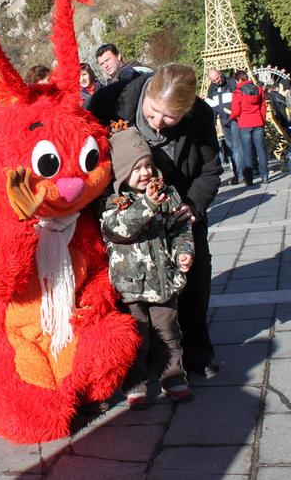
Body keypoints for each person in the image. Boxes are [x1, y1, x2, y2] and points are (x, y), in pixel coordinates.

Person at [89, 63, 222, 377]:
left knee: (194, 276)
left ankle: (197, 353)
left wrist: (194, 204)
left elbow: (209, 170)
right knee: (128, 300)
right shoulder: (110, 102)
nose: (159, 123)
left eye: (169, 118)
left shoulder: (200, 116)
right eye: (152, 114)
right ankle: (132, 366)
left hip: (176, 209)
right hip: (125, 210)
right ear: (146, 93)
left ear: (186, 112)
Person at [100, 126, 194, 408]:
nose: (145, 173)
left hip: (163, 280)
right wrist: (148, 205)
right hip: (129, 286)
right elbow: (120, 229)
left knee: (168, 331)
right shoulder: (112, 203)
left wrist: (183, 253)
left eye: (148, 165)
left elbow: (180, 228)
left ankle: (173, 376)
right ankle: (136, 381)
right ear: (121, 171)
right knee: (137, 336)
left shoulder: (167, 194)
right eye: (136, 168)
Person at [231, 71, 269, 185]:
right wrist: (263, 120)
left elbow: (236, 110)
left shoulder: (238, 92)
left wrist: (233, 116)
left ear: (238, 80)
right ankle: (265, 175)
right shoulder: (258, 89)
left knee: (247, 152)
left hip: (244, 123)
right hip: (258, 121)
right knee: (261, 150)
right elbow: (263, 106)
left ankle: (249, 178)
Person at [205, 68, 241, 185]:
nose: (218, 81)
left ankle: (239, 175)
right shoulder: (211, 89)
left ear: (221, 74)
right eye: (214, 80)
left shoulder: (231, 83)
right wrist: (213, 121)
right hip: (224, 120)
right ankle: (239, 172)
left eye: (218, 78)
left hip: (235, 118)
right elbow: (212, 107)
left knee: (236, 147)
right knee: (230, 147)